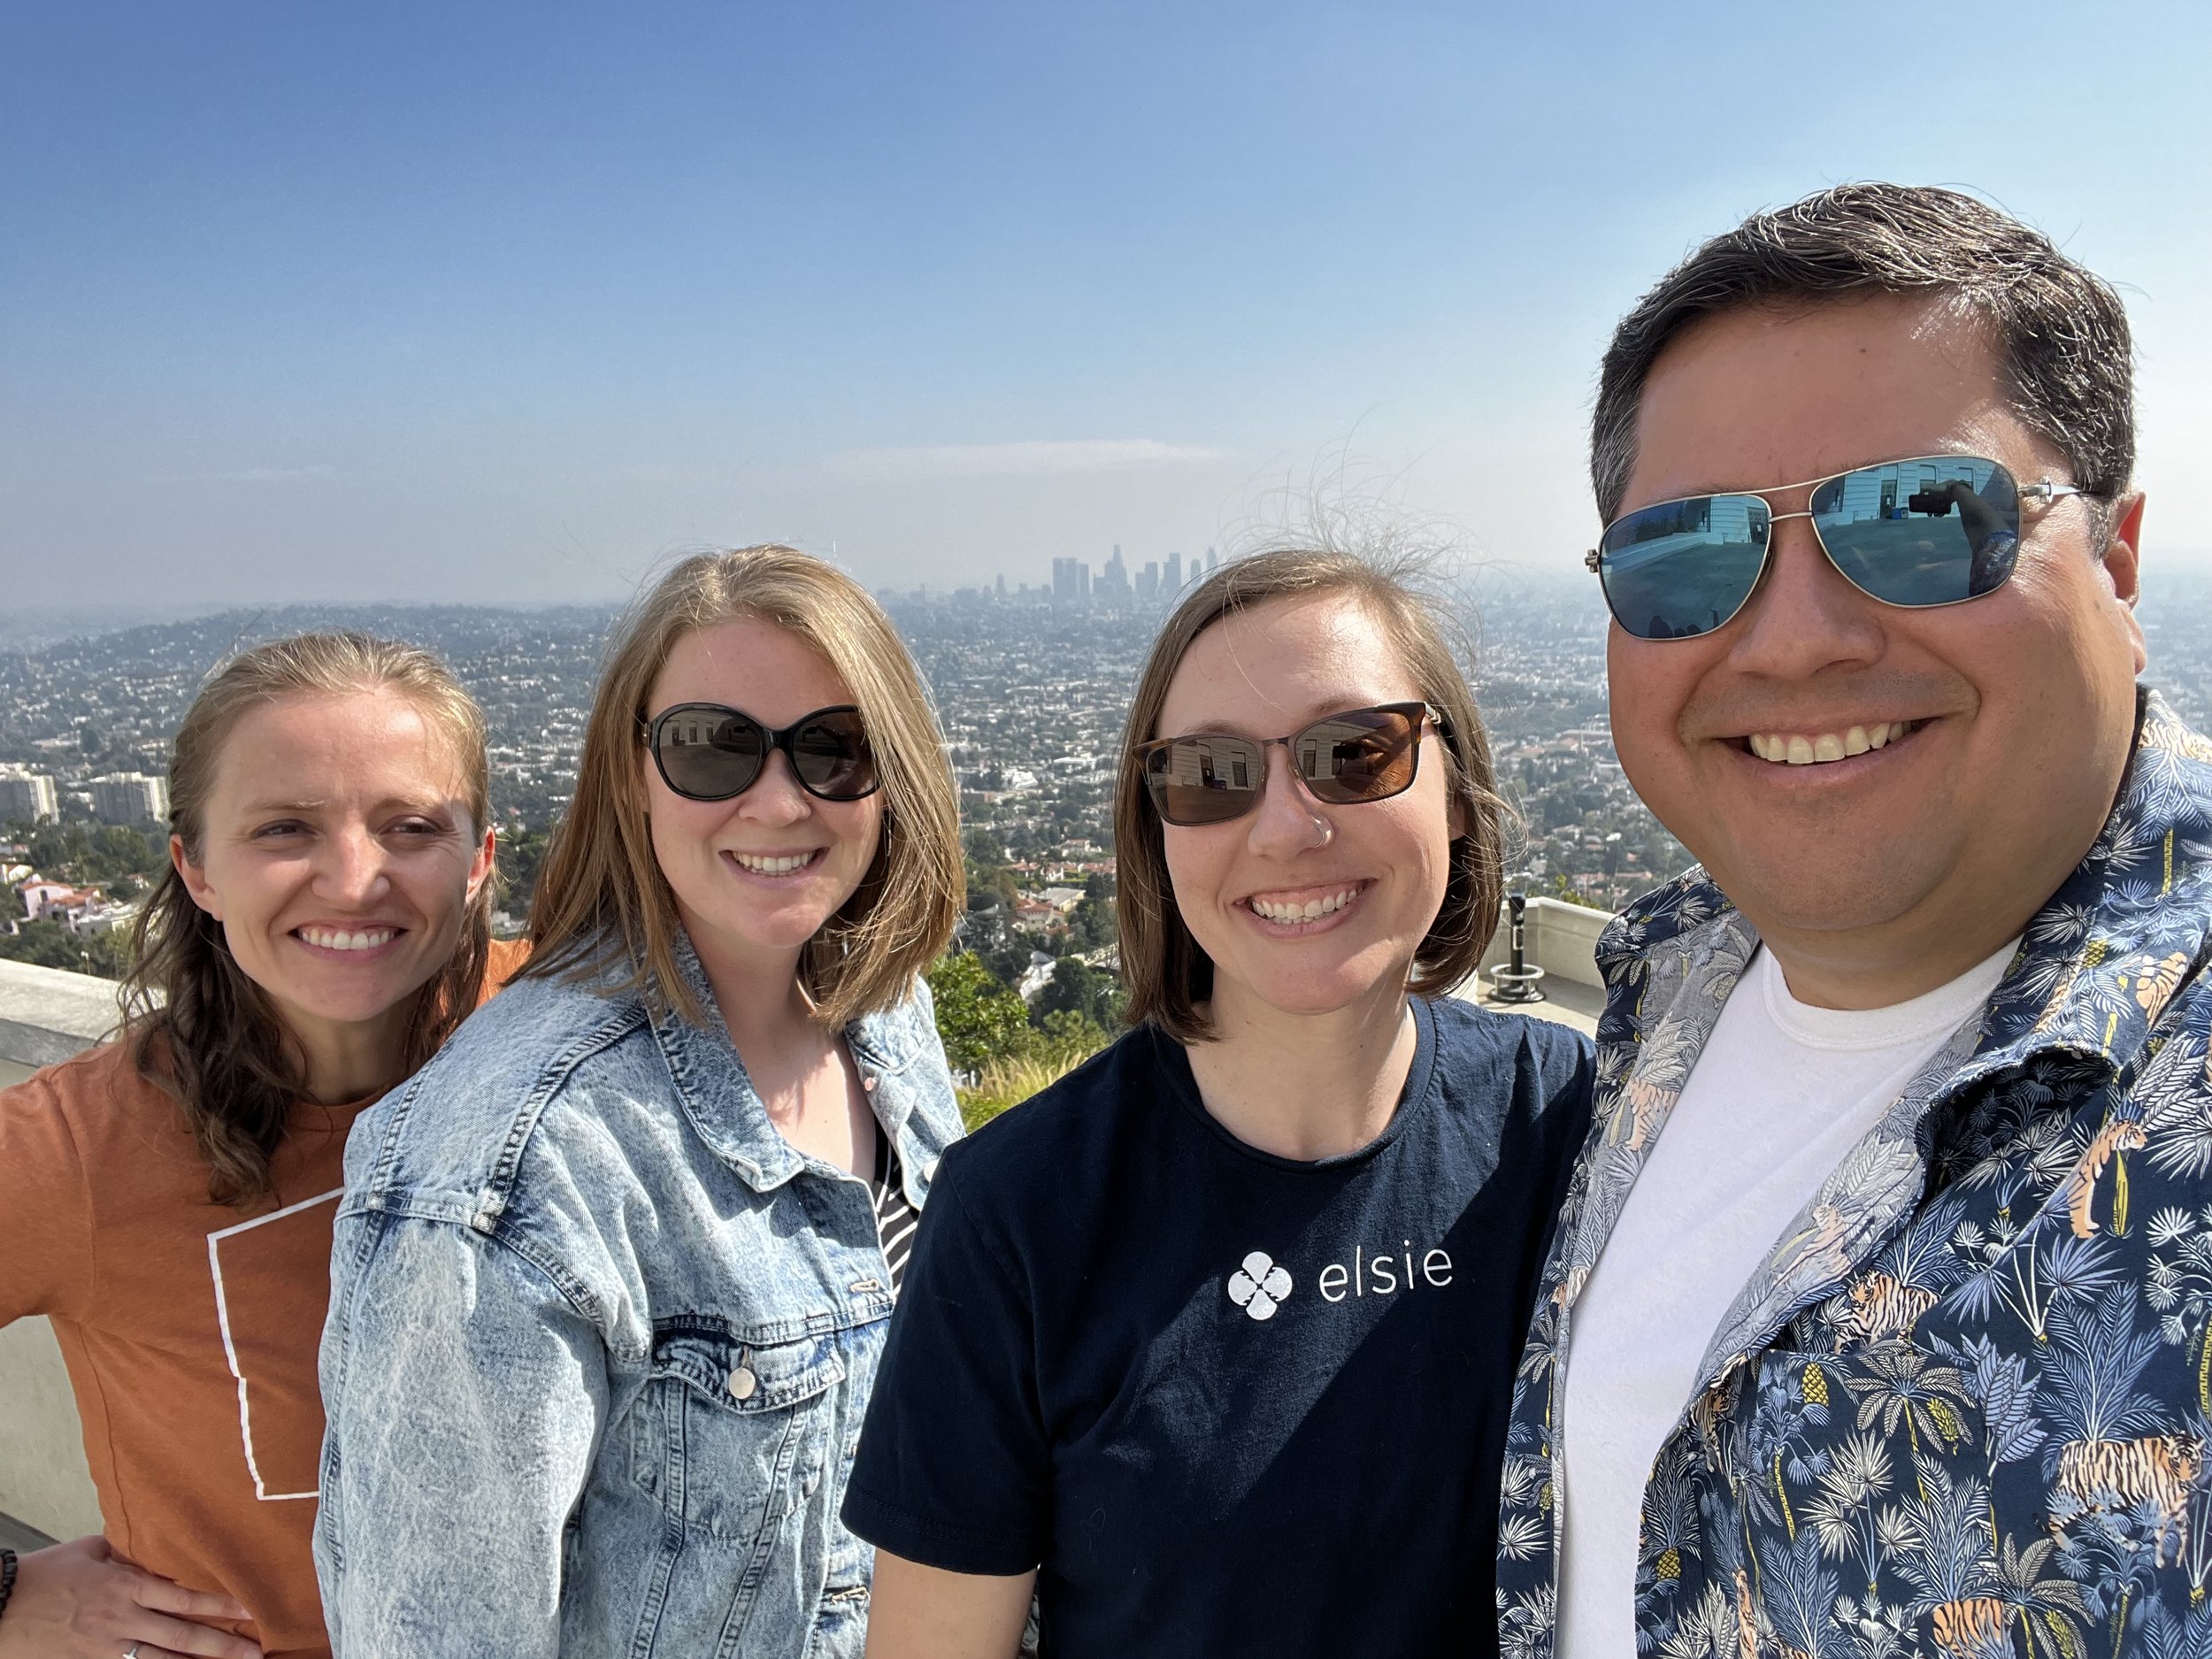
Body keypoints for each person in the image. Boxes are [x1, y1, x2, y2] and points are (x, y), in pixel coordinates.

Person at [1500, 183, 2212, 1659]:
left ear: (2118, 558)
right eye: (1687, 554)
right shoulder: (1669, 979)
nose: (1796, 638)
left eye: (1920, 518)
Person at [849, 549, 1597, 1657]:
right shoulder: (1021, 1213)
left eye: (1356, 752)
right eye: (1210, 773)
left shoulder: (1566, 1124)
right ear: (1156, 830)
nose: (1286, 826)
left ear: (1454, 792)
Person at [315, 547, 966, 1657]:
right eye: (712, 747)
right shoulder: (516, 1171)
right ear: (633, 775)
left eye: (835, 748)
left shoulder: (884, 1010)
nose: (780, 800)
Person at [0, 633, 512, 1659]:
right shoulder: (77, 1151)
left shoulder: (557, 1037)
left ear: (480, 861)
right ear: (195, 868)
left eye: (411, 827)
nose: (354, 880)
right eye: (285, 829)